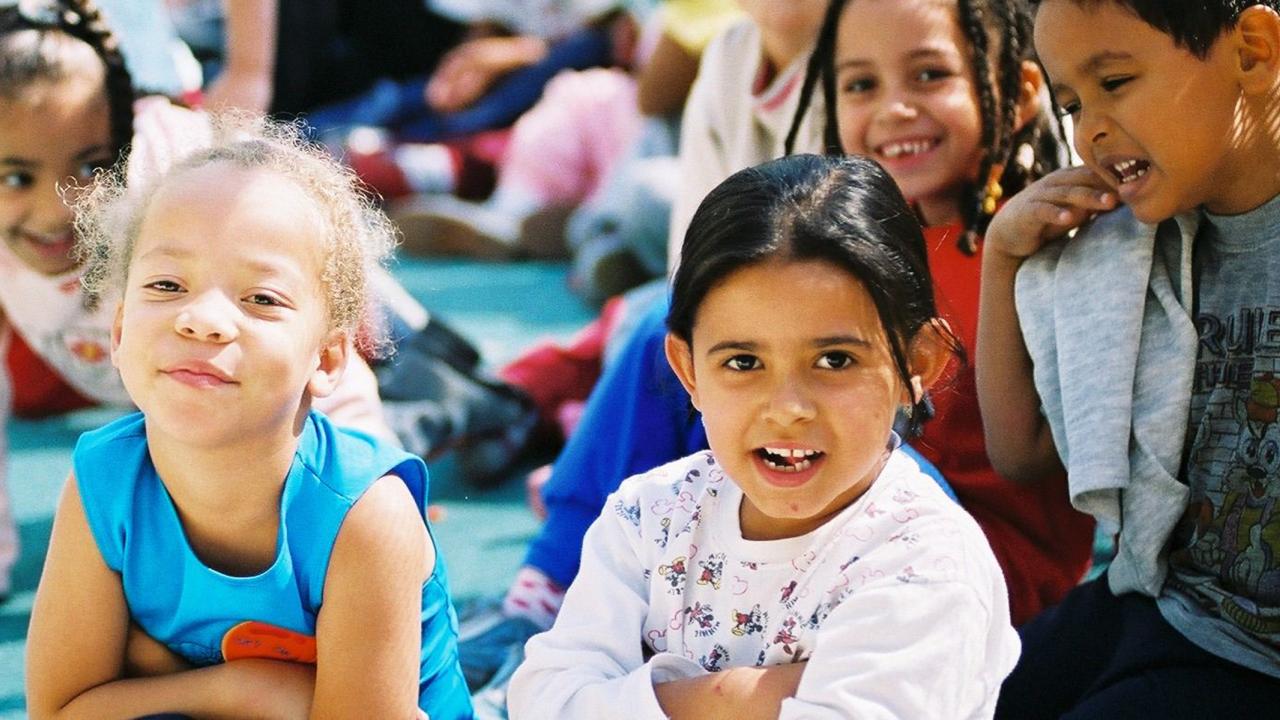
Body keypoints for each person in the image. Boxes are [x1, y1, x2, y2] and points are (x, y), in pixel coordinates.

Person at [470, 0, 1093, 687]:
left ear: (1022, 91)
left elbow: (1025, 461)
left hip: (948, 543)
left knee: (844, 447)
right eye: (861, 85)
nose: (894, 108)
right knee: (669, 328)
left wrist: (714, 698)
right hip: (815, 500)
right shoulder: (853, 243)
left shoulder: (1032, 242)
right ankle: (548, 580)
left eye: (929, 76)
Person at [507, 153, 1019, 719]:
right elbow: (544, 699)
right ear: (689, 371)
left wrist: (637, 698)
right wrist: (741, 697)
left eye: (834, 359)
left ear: (917, 362)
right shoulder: (650, 516)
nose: (788, 409)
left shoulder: (926, 562)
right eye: (744, 363)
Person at [24, 113, 473, 719]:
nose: (203, 318)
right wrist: (246, 691)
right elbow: (60, 710)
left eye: (261, 298)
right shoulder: (105, 479)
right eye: (166, 285)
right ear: (122, 328)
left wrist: (147, 679)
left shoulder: (365, 518)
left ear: (329, 358)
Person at [0, 0, 396, 602]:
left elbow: (326, 357)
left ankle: (446, 404)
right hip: (119, 371)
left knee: (328, 506)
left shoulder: (178, 173)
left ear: (122, 141)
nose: (59, 210)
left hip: (274, 378)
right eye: (15, 178)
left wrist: (372, 500)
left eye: (89, 166)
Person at [976, 0, 1280, 715]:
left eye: (1115, 82)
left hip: (1257, 662)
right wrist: (1003, 259)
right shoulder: (1122, 251)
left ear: (1253, 54)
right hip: (1160, 605)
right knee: (964, 698)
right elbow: (1023, 452)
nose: (1090, 130)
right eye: (1072, 103)